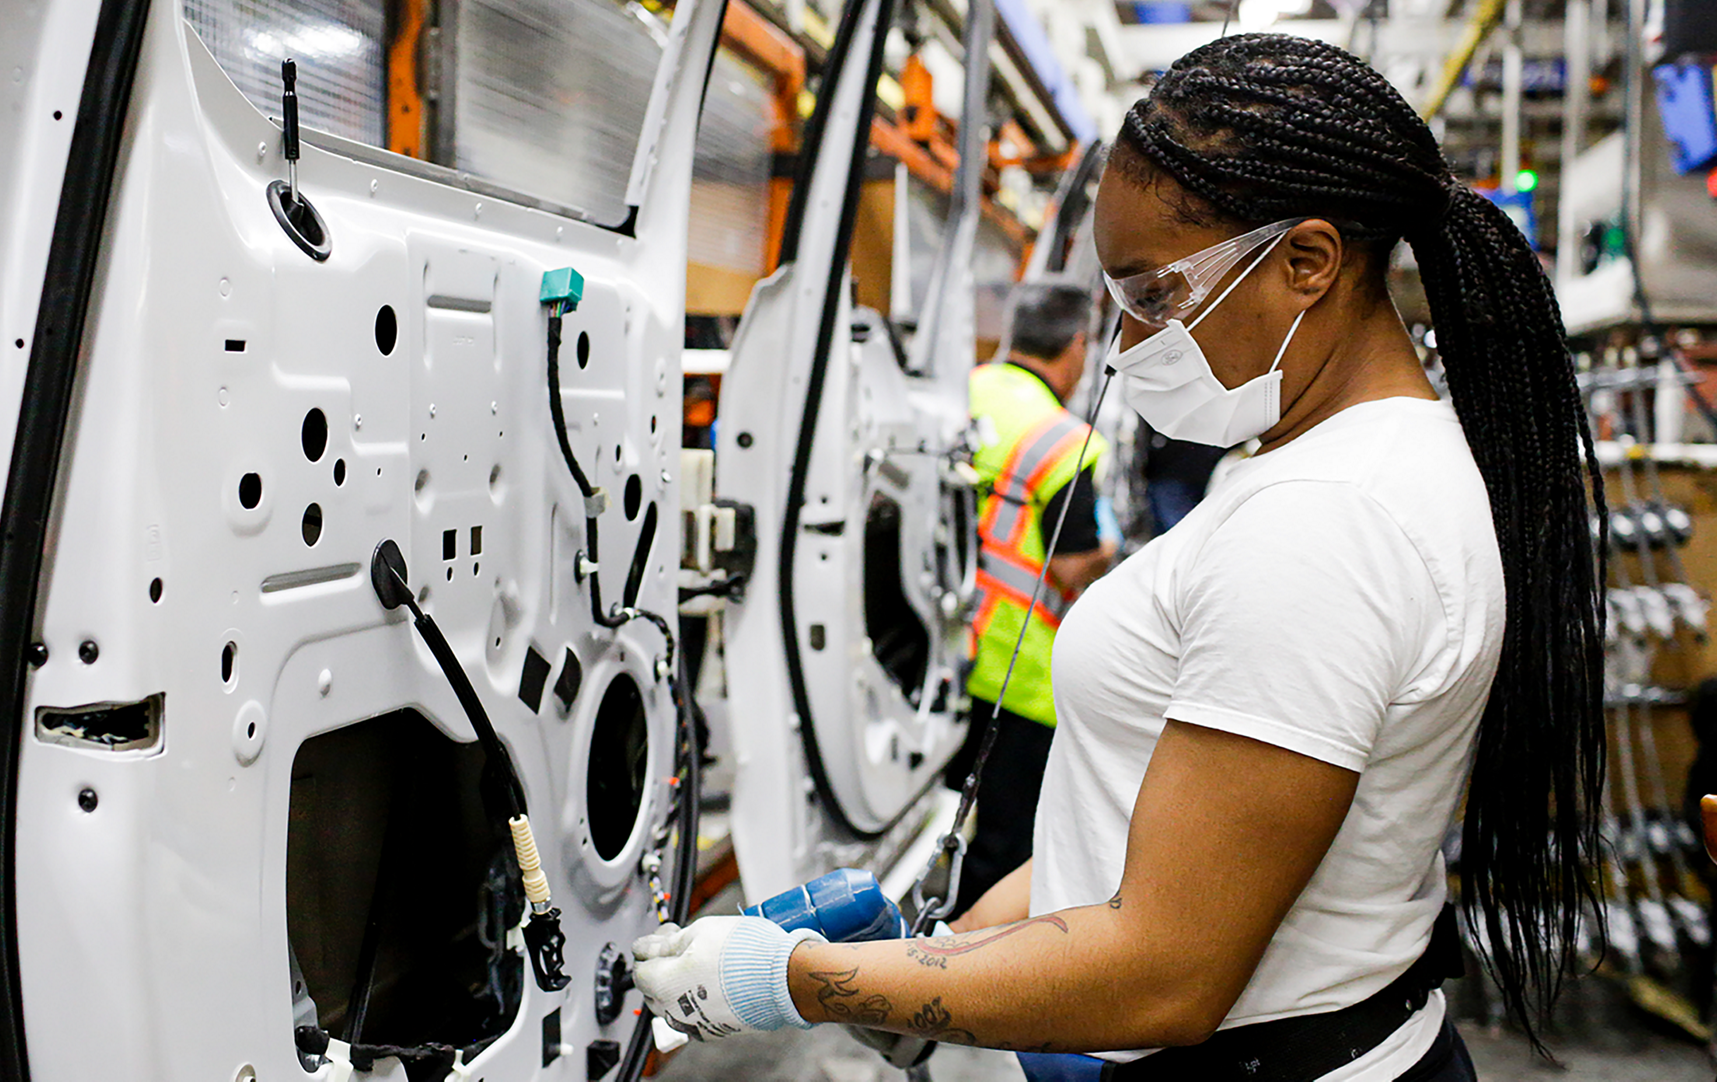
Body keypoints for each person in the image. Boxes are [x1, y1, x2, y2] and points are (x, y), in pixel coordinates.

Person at [634, 34, 1605, 1082]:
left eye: (1153, 297)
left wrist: (792, 980)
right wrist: (936, 968)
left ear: (1307, 262)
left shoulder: (1326, 524)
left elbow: (1163, 970)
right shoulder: (1319, 460)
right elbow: (1119, 840)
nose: (1128, 350)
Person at [951, 280, 1116, 916]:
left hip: (939, 656)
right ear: (1078, 345)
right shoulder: (1065, 440)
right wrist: (1110, 555)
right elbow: (1073, 565)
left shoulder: (961, 391)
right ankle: (966, 966)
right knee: (1005, 843)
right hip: (1018, 673)